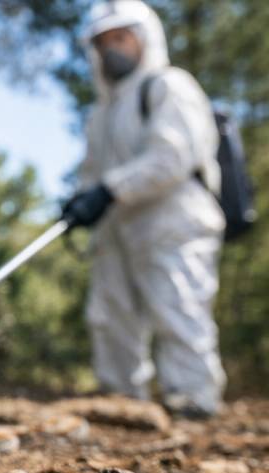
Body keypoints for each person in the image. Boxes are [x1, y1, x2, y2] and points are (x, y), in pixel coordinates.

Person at [61, 0, 226, 419]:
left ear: (144, 38)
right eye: (102, 43)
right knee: (110, 312)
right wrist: (81, 199)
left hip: (172, 220)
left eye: (120, 38)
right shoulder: (101, 113)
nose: (110, 49)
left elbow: (172, 157)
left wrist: (111, 189)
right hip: (117, 226)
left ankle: (193, 400)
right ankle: (120, 402)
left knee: (177, 307)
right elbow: (92, 170)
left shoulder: (168, 86)